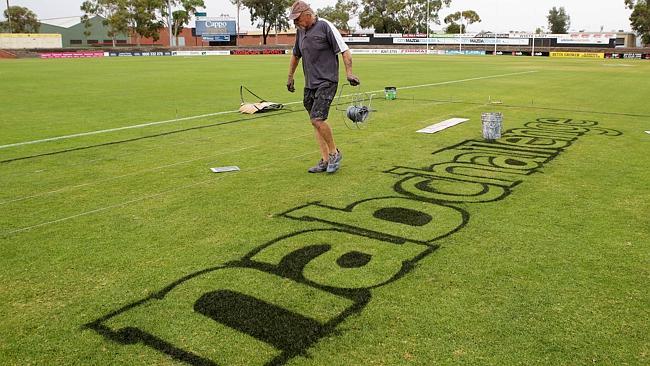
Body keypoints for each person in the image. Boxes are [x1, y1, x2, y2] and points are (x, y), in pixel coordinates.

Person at [286, 0, 360, 174]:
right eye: (294, 20)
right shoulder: (300, 32)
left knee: (317, 119)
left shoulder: (325, 26)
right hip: (310, 84)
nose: (295, 22)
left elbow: (344, 50)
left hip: (327, 81)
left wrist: (349, 73)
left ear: (308, 14)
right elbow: (296, 55)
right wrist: (290, 77)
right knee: (315, 122)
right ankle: (325, 160)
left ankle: (334, 153)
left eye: (297, 19)